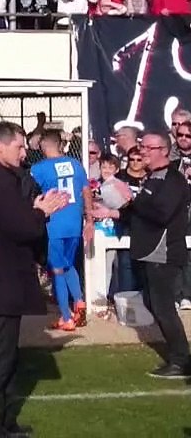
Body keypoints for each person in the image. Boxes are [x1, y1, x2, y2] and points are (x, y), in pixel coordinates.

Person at [0, 122, 68, 438]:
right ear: (0, 147)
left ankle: (2, 420)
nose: (25, 153)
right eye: (20, 147)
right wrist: (41, 212)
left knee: (2, 355)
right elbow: (21, 227)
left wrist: (32, 210)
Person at [90, 132, 190, 378]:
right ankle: (179, 356)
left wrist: (129, 198)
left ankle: (181, 360)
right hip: (148, 252)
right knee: (153, 304)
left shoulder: (172, 180)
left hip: (163, 253)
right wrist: (112, 212)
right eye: (141, 146)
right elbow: (139, 213)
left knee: (163, 307)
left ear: (163, 150)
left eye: (147, 147)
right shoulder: (153, 178)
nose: (142, 150)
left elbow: (160, 214)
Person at [28, 130, 88, 330]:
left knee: (57, 270)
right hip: (74, 222)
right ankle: (79, 302)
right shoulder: (75, 164)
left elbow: (25, 188)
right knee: (68, 264)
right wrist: (89, 219)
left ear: (45, 146)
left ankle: (66, 317)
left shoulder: (39, 168)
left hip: (55, 223)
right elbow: (86, 191)